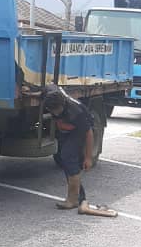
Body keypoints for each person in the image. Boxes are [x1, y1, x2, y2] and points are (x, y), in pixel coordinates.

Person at [43, 85, 117, 218]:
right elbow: (49, 86)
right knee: (64, 158)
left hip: (77, 131)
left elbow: (89, 134)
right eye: (52, 111)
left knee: (68, 156)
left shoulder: (76, 112)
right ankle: (79, 198)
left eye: (57, 110)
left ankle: (72, 200)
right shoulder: (50, 96)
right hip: (65, 130)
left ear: (63, 104)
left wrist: (88, 158)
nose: (55, 113)